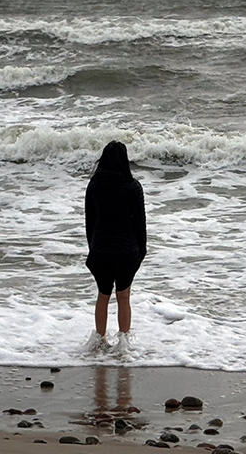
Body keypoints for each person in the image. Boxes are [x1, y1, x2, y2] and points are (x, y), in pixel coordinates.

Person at [84, 140, 146, 353]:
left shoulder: (94, 186)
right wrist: (141, 251)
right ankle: (124, 343)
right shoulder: (132, 187)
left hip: (100, 250)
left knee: (103, 295)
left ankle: (99, 340)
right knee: (123, 296)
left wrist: (92, 247)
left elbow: (90, 222)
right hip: (127, 251)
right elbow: (139, 223)